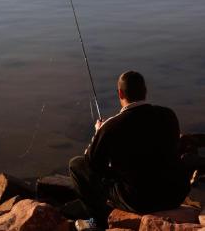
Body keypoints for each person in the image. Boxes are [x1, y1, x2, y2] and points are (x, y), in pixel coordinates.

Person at [69, 71, 190, 230]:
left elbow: (92, 164)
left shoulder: (111, 127)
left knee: (76, 165)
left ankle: (97, 221)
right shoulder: (168, 115)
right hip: (176, 193)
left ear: (120, 93)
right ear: (145, 91)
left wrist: (99, 133)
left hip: (139, 200)